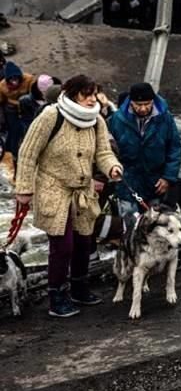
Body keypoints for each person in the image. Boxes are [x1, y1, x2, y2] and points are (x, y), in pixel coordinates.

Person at [15, 75, 122, 317]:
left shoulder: (97, 119)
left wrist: (112, 168)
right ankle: (57, 297)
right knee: (62, 246)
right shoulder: (51, 116)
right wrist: (23, 189)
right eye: (87, 94)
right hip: (55, 189)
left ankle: (79, 288)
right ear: (73, 94)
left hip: (83, 192)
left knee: (84, 242)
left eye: (94, 94)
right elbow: (28, 153)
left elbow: (104, 152)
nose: (92, 99)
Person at [108, 82, 181, 216]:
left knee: (156, 222)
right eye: (138, 105)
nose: (143, 108)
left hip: (156, 182)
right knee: (128, 220)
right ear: (131, 103)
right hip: (127, 181)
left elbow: (174, 149)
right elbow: (107, 149)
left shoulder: (165, 119)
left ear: (153, 101)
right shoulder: (116, 120)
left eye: (147, 104)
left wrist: (168, 177)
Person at [0, 61, 36, 158]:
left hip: (26, 105)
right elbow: (1, 102)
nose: (14, 82)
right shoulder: (2, 86)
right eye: (11, 79)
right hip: (11, 109)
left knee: (30, 128)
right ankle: (12, 154)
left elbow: (34, 94)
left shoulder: (29, 79)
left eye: (16, 78)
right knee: (14, 131)